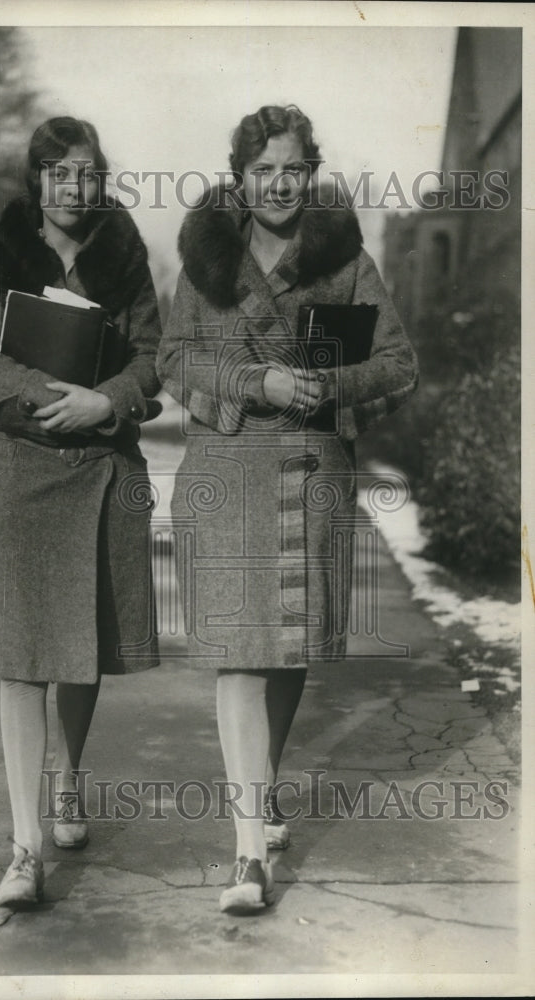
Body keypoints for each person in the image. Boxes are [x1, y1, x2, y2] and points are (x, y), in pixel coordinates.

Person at [156, 105, 418, 914]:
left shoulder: (343, 258)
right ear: (239, 175)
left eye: (294, 169)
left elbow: (400, 361)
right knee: (239, 650)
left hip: (311, 469)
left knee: (286, 649)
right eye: (264, 168)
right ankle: (246, 855)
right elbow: (171, 358)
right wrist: (251, 381)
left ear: (313, 172)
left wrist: (328, 387)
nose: (279, 183)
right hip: (226, 468)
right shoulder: (205, 257)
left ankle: (263, 792)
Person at [0, 116, 162, 908]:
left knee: (82, 642)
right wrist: (50, 398)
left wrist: (104, 401)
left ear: (99, 178)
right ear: (36, 181)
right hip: (17, 464)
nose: (74, 188)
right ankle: (23, 847)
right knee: (20, 657)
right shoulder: (6, 251)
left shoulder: (125, 255)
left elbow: (155, 357)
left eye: (86, 173)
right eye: (58, 174)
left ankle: (70, 775)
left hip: (101, 469)